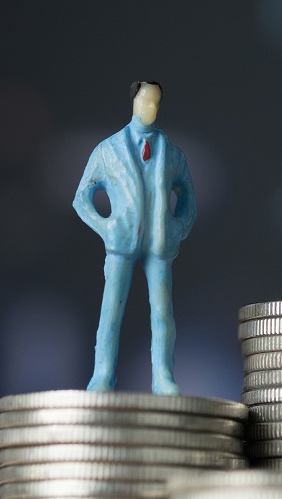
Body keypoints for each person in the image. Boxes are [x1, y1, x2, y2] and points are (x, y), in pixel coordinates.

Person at [72, 80, 197, 395]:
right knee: (111, 311)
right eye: (145, 101)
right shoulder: (108, 149)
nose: (150, 108)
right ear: (134, 102)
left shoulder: (171, 152)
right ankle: (102, 375)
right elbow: (82, 198)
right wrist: (106, 227)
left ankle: (163, 377)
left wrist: (178, 228)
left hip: (159, 242)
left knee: (163, 314)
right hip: (121, 242)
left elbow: (187, 196)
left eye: (155, 102)